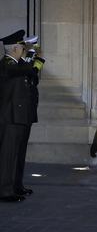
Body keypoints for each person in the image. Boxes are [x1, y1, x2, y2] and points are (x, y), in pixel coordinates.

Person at [0, 30, 44, 202]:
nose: (24, 51)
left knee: (14, 156)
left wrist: (31, 54)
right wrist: (32, 52)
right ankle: (4, 191)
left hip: (16, 117)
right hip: (9, 117)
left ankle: (11, 187)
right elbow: (25, 68)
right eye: (22, 49)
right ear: (16, 49)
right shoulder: (7, 65)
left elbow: (29, 72)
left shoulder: (15, 65)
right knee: (7, 157)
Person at [14, 35, 44, 197]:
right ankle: (12, 184)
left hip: (26, 114)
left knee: (20, 151)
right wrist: (33, 56)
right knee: (14, 152)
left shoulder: (27, 67)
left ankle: (17, 183)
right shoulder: (18, 67)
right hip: (18, 115)